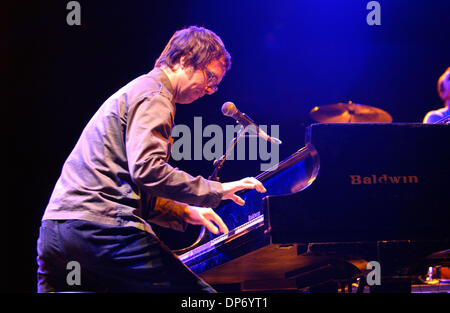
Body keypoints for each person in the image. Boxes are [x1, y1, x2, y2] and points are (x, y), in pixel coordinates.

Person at [37, 26, 266, 293]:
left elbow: (125, 180)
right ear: (184, 60)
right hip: (100, 228)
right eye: (210, 77)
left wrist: (184, 211)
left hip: (57, 231)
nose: (210, 89)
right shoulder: (156, 96)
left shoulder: (138, 90)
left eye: (215, 84)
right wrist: (217, 189)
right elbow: (147, 170)